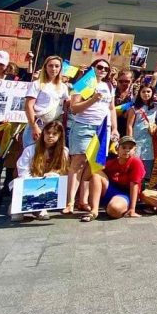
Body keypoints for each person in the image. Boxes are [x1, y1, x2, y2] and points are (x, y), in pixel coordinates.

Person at [65, 59, 118, 215]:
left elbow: (111, 108)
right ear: (92, 67)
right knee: (78, 164)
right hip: (84, 126)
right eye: (99, 67)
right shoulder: (83, 84)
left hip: (102, 129)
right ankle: (70, 202)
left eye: (106, 69)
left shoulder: (109, 86)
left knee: (93, 166)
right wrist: (92, 99)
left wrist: (114, 128)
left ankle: (83, 200)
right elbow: (74, 108)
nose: (102, 70)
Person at [14, 120, 68, 221]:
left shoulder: (64, 151)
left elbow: (64, 171)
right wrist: (36, 182)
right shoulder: (30, 149)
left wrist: (52, 174)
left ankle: (41, 208)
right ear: (43, 133)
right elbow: (22, 171)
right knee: (16, 217)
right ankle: (18, 206)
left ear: (60, 135)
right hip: (30, 182)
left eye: (54, 134)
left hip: (48, 184)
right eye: (48, 133)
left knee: (54, 177)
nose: (50, 136)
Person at [23, 55, 70, 149]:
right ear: (45, 67)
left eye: (57, 66)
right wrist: (34, 127)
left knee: (49, 157)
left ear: (60, 68)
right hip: (38, 124)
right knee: (32, 154)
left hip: (53, 127)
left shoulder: (63, 87)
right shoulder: (36, 84)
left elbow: (65, 106)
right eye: (50, 66)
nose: (53, 68)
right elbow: (28, 106)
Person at [126, 83, 157, 174]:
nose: (146, 94)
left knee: (146, 171)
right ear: (140, 93)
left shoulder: (156, 107)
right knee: (134, 169)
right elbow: (129, 125)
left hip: (149, 143)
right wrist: (130, 141)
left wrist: (156, 127)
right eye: (143, 92)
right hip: (136, 141)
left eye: (148, 91)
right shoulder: (134, 108)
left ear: (152, 93)